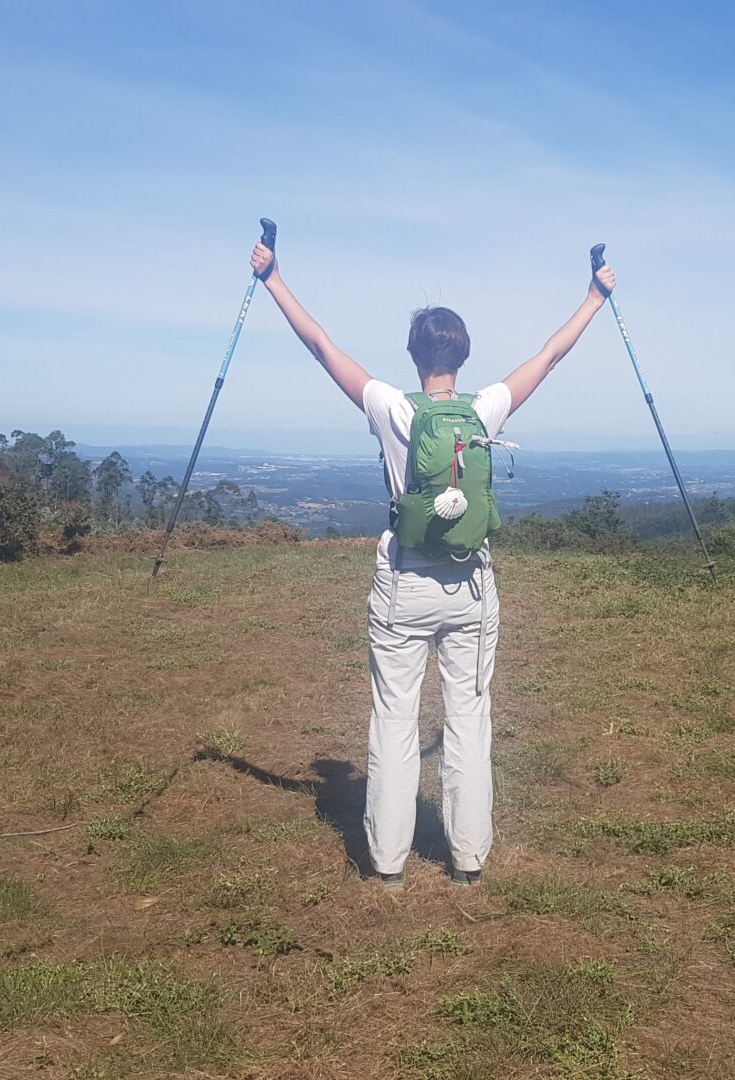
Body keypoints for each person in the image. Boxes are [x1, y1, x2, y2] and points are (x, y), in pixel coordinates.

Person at [249, 237, 615, 891]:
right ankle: (468, 861)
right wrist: (594, 297)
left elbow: (320, 345)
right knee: (469, 717)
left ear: (417, 356)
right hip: (471, 584)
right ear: (462, 354)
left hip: (404, 583)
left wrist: (274, 279)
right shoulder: (484, 408)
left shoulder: (391, 407)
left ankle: (388, 867)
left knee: (394, 718)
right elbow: (551, 356)